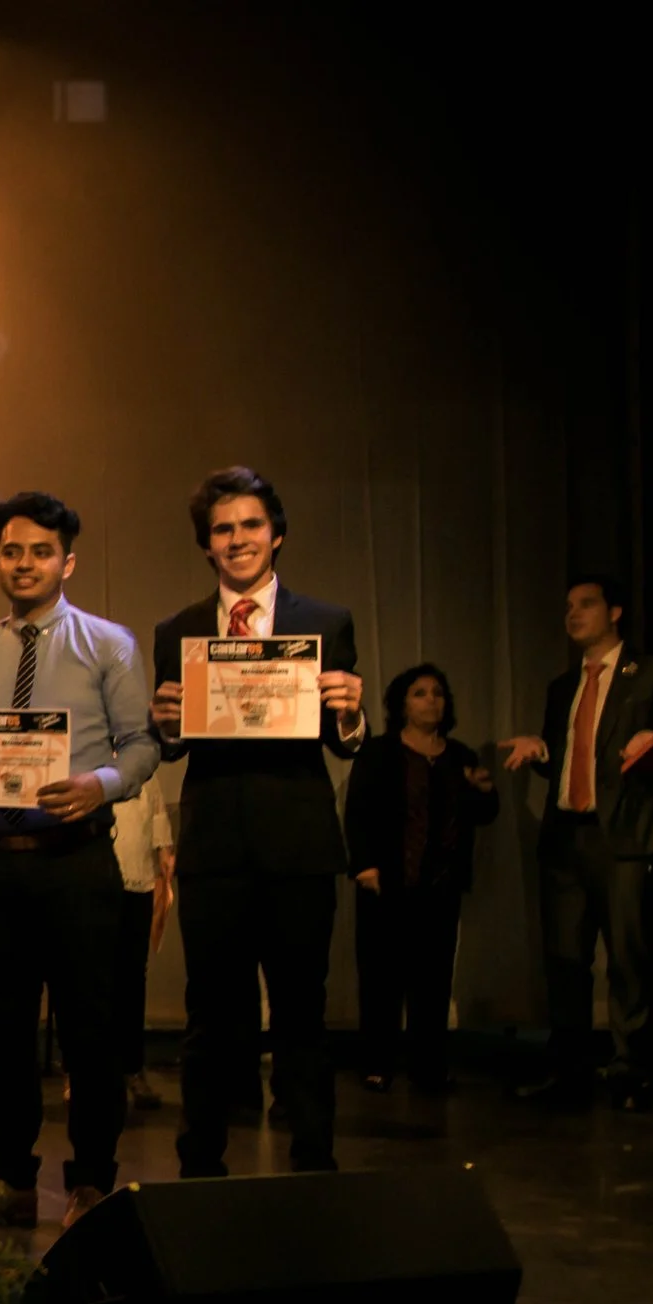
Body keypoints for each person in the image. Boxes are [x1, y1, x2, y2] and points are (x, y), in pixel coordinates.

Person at [0, 492, 159, 1228]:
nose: (24, 564)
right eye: (11, 551)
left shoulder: (108, 645)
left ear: (68, 561)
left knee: (90, 1032)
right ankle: (12, 1177)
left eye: (40, 552)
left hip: (78, 862)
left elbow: (144, 746)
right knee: (8, 1031)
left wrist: (101, 785)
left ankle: (91, 1178)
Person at [148, 466, 365, 1177]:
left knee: (303, 1015)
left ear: (277, 537)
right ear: (205, 546)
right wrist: (167, 724)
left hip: (299, 846)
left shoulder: (326, 623)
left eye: (249, 526)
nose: (237, 540)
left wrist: (351, 712)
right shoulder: (177, 630)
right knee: (210, 1017)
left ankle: (313, 1164)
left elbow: (344, 741)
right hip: (214, 846)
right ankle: (198, 1167)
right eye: (222, 530)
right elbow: (172, 747)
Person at [498, 576, 653, 1111]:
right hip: (566, 836)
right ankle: (570, 1071)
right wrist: (540, 750)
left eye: (585, 605)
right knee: (565, 960)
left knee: (628, 961)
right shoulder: (563, 686)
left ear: (615, 611)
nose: (572, 615)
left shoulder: (649, 673)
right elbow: (569, 762)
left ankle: (631, 1071)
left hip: (622, 838)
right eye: (567, 607)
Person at [344, 664, 499, 1096]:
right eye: (420, 693)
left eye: (437, 693)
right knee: (381, 979)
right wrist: (365, 865)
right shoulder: (379, 753)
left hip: (440, 886)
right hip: (388, 883)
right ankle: (377, 1063)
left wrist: (484, 789)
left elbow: (484, 814)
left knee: (432, 981)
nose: (431, 701)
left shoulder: (459, 756)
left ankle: (428, 1067)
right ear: (401, 704)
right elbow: (358, 812)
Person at [108, 777, 176, 1109]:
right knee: (90, 979)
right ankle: (81, 1072)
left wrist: (164, 852)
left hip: (137, 881)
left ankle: (132, 1069)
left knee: (133, 980)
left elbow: (157, 812)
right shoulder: (87, 750)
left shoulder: (143, 765)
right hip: (95, 881)